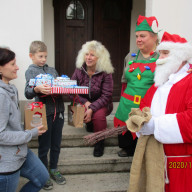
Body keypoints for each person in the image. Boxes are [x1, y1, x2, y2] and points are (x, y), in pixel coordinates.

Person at [136, 31, 192, 192]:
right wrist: (138, 121)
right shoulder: (160, 82)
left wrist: (156, 125)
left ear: (180, 56)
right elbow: (143, 108)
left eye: (165, 53)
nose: (160, 59)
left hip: (182, 163)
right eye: (160, 53)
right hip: (155, 159)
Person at [0, 48, 49, 192]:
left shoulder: (12, 89)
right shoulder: (1, 96)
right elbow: (1, 135)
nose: (17, 67)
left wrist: (30, 124)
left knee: (42, 177)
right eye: (13, 64)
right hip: (7, 161)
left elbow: (12, 125)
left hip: (20, 151)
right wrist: (30, 133)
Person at [114, 15, 160, 157]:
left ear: (154, 37)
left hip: (147, 104)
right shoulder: (130, 57)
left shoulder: (161, 58)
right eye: (137, 36)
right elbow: (124, 82)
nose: (138, 39)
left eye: (142, 36)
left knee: (144, 131)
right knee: (125, 131)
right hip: (127, 103)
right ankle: (127, 148)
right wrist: (122, 99)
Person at [24, 41, 65, 190]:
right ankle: (43, 174)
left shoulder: (52, 70)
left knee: (56, 144)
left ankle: (53, 169)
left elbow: (60, 86)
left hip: (58, 111)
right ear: (31, 56)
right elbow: (27, 93)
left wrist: (63, 87)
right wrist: (36, 89)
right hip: (43, 113)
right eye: (40, 56)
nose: (43, 59)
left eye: (45, 56)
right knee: (44, 145)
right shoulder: (30, 71)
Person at [71, 40, 114, 157]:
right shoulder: (79, 70)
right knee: (78, 109)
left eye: (92, 55)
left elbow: (107, 96)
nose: (88, 58)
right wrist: (85, 103)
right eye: (86, 54)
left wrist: (91, 108)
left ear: (99, 58)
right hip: (85, 102)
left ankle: (99, 141)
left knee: (98, 115)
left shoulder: (106, 73)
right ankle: (89, 123)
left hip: (103, 104)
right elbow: (72, 90)